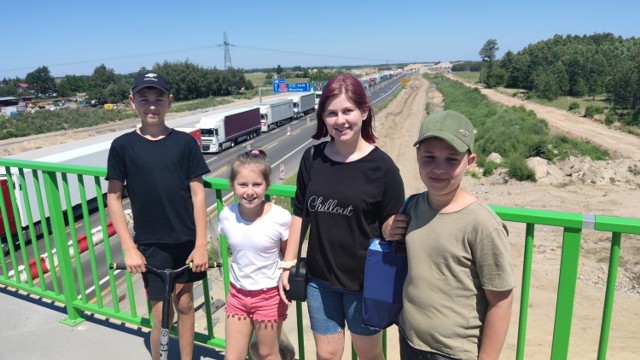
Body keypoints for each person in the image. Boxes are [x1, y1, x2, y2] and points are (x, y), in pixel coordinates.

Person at [279, 73, 405, 360]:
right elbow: (300, 214)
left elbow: (389, 223)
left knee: (369, 355)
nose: (340, 120)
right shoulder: (312, 159)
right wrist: (287, 265)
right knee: (327, 355)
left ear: (364, 111)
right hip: (319, 281)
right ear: (323, 117)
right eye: (332, 113)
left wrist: (392, 227)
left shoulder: (383, 168)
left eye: (347, 110)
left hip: (365, 283)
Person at [387, 110, 515, 360]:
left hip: (453, 352)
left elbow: (501, 302)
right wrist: (387, 228)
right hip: (410, 340)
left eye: (451, 160)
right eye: (429, 157)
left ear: (470, 161)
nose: (438, 169)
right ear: (417, 156)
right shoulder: (413, 206)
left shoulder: (482, 224)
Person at [106, 71, 210, 360]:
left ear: (170, 102)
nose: (152, 105)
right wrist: (129, 248)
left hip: (186, 240)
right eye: (144, 99)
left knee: (186, 304)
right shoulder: (123, 146)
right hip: (151, 243)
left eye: (158, 99)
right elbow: (113, 198)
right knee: (162, 315)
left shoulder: (186, 143)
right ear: (132, 102)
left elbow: (198, 194)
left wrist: (201, 244)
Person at [218, 149, 291, 360]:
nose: (250, 192)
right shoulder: (227, 215)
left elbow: (287, 255)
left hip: (269, 295)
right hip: (237, 294)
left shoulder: (280, 218)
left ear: (267, 185)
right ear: (232, 185)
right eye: (243, 185)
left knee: (267, 353)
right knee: (233, 356)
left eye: (256, 184)